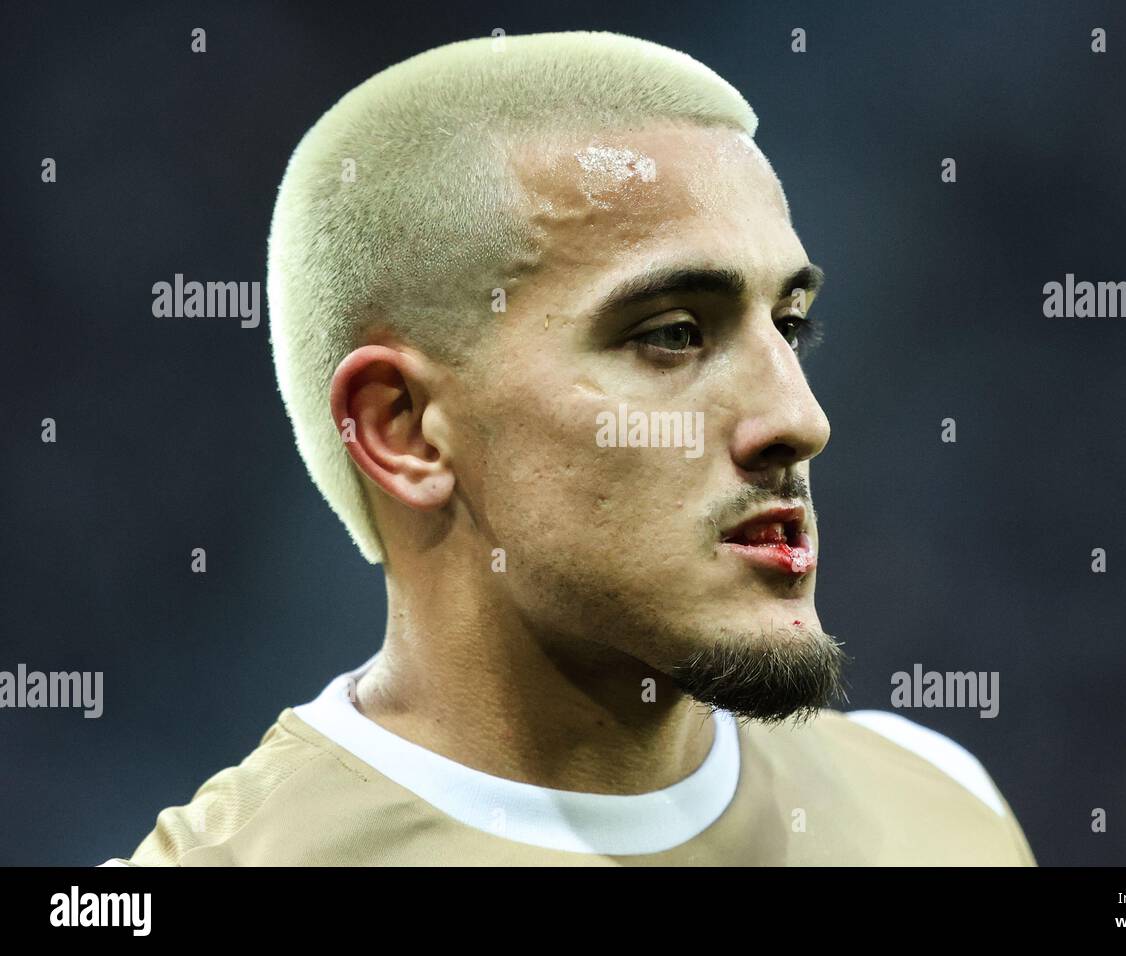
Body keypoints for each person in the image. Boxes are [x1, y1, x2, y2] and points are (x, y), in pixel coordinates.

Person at [100, 30, 1035, 866]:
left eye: (790, 326)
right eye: (673, 334)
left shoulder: (943, 806)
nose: (800, 420)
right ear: (403, 429)